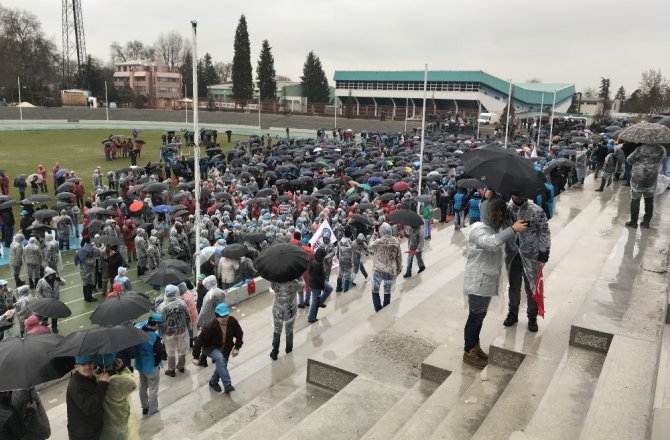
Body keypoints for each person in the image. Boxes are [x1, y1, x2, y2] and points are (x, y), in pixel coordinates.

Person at [463, 199, 528, 368]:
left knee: (480, 316)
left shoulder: (493, 229)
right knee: (475, 317)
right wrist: (512, 229)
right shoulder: (478, 229)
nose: (500, 217)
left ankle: (475, 347)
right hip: (478, 282)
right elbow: (490, 243)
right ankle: (468, 351)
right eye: (497, 214)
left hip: (486, 282)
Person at [503, 193, 551, 332]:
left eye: (520, 193)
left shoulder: (536, 210)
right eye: (514, 193)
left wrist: (543, 255)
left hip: (531, 255)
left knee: (532, 288)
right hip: (512, 255)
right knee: (513, 286)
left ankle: (532, 317)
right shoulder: (506, 209)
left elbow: (544, 232)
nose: (517, 196)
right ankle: (513, 313)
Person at [192, 303, 243, 394]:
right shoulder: (209, 327)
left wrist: (237, 347)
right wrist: (196, 357)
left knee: (222, 365)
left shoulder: (232, 321)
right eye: (222, 317)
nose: (224, 318)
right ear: (216, 316)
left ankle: (213, 382)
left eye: (226, 316)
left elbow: (239, 333)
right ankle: (227, 384)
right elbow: (198, 342)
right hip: (210, 348)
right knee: (220, 358)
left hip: (226, 348)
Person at [66, 355, 110, 440]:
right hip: (84, 435)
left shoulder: (88, 378)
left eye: (90, 363)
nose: (87, 367)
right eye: (83, 364)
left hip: (91, 431)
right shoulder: (76, 385)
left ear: (94, 363)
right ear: (76, 367)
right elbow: (91, 407)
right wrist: (102, 384)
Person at [96, 354, 139, 440]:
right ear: (114, 362)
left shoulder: (95, 379)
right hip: (124, 429)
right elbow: (134, 383)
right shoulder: (118, 381)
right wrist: (123, 368)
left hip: (106, 430)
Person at [625, 143, 667, 228]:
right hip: (652, 177)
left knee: (635, 199)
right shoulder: (661, 150)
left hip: (638, 177)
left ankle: (633, 222)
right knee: (649, 199)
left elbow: (629, 160)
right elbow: (663, 160)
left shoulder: (640, 149)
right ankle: (646, 222)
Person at [135, 313, 167, 415]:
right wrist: (162, 346)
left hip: (140, 364)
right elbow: (160, 351)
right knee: (153, 388)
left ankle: (145, 407)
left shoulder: (138, 330)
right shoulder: (155, 337)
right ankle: (153, 409)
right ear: (157, 324)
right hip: (152, 366)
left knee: (143, 386)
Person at [157, 284, 191, 377]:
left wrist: (161, 335)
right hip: (182, 331)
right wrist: (189, 328)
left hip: (168, 333)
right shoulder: (182, 303)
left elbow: (159, 322)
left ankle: (171, 370)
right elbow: (188, 316)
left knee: (170, 351)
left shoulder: (161, 307)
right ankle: (181, 366)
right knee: (182, 349)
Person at [368, 222, 402, 312]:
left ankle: (378, 309)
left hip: (378, 270)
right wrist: (399, 269)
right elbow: (399, 257)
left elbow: (370, 246)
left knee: (375, 290)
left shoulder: (379, 241)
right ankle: (385, 310)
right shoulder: (396, 241)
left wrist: (374, 234)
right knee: (387, 291)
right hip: (390, 271)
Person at [269, 276, 303, 360]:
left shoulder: (275, 279)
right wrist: (299, 278)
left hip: (277, 308)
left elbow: (272, 287)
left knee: (277, 330)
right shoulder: (293, 281)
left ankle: (275, 352)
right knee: (289, 330)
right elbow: (302, 286)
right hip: (290, 309)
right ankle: (289, 349)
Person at [35, 267, 66, 333]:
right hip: (46, 302)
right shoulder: (41, 281)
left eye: (52, 274)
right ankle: (44, 326)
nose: (51, 276)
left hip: (55, 300)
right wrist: (42, 300)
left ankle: (54, 327)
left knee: (55, 315)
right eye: (50, 275)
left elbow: (64, 284)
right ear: (47, 275)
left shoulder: (56, 280)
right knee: (45, 314)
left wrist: (60, 279)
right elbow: (38, 291)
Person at [307, 248, 332, 323]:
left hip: (318, 281)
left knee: (329, 288)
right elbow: (316, 276)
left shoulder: (316, 261)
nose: (324, 258)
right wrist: (321, 286)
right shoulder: (316, 263)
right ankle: (311, 317)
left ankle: (320, 302)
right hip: (316, 284)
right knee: (315, 300)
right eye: (323, 256)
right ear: (320, 256)